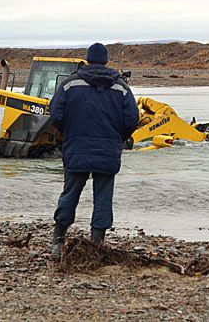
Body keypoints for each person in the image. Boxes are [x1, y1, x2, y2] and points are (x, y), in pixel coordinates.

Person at [49, 43, 139, 259]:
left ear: (87, 59)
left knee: (70, 194)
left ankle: (58, 241)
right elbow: (132, 120)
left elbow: (55, 115)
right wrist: (118, 137)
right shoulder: (121, 88)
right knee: (103, 198)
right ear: (106, 61)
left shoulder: (70, 84)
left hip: (76, 147)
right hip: (108, 149)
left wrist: (69, 132)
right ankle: (97, 243)